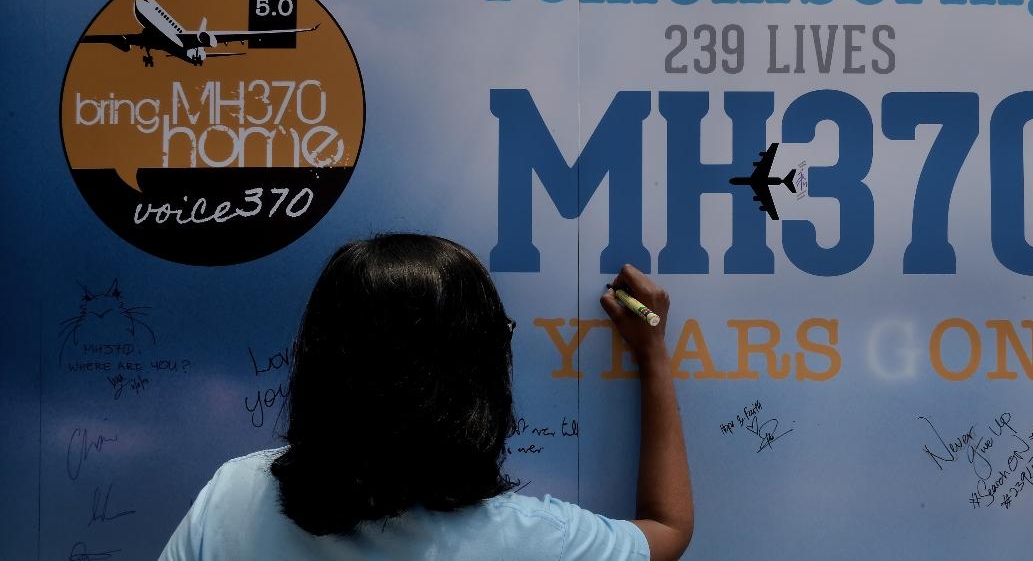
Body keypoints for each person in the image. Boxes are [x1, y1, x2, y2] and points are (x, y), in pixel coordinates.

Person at [159, 233, 692, 560]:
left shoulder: (230, 498)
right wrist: (652, 350)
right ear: (474, 379)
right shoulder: (533, 541)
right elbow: (669, 530)